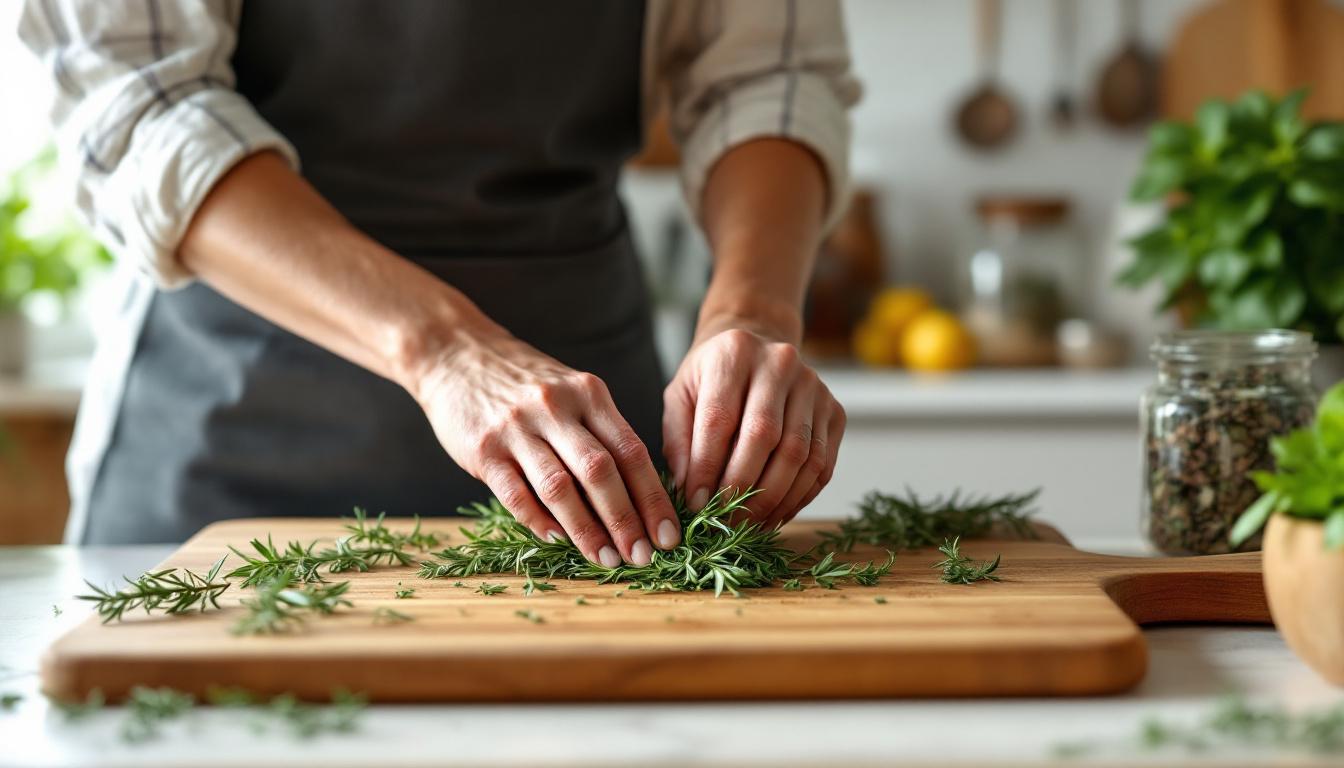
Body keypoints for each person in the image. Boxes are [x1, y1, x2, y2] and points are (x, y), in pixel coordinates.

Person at [20, 1, 860, 567]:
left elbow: (769, 79)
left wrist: (749, 311)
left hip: (597, 444)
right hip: (232, 426)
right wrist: (448, 350)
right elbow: (138, 101)